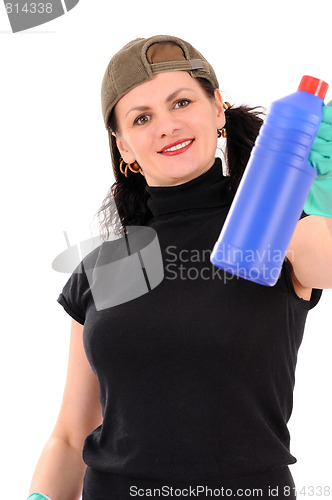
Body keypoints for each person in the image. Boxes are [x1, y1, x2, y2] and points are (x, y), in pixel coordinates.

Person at [28, 35, 332, 500]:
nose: (166, 125)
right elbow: (70, 435)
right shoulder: (105, 265)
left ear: (217, 109)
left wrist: (324, 204)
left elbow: (324, 260)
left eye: (182, 102)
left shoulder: (269, 229)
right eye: (142, 118)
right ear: (123, 145)